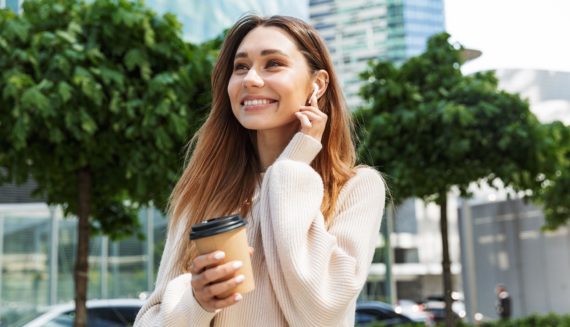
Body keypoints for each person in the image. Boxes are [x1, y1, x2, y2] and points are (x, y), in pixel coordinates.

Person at [134, 14, 386, 327]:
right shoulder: (204, 190)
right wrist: (196, 302)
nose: (251, 79)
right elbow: (149, 321)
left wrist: (294, 163)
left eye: (273, 64)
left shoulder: (357, 188)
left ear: (318, 84)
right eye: (240, 67)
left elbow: (320, 313)